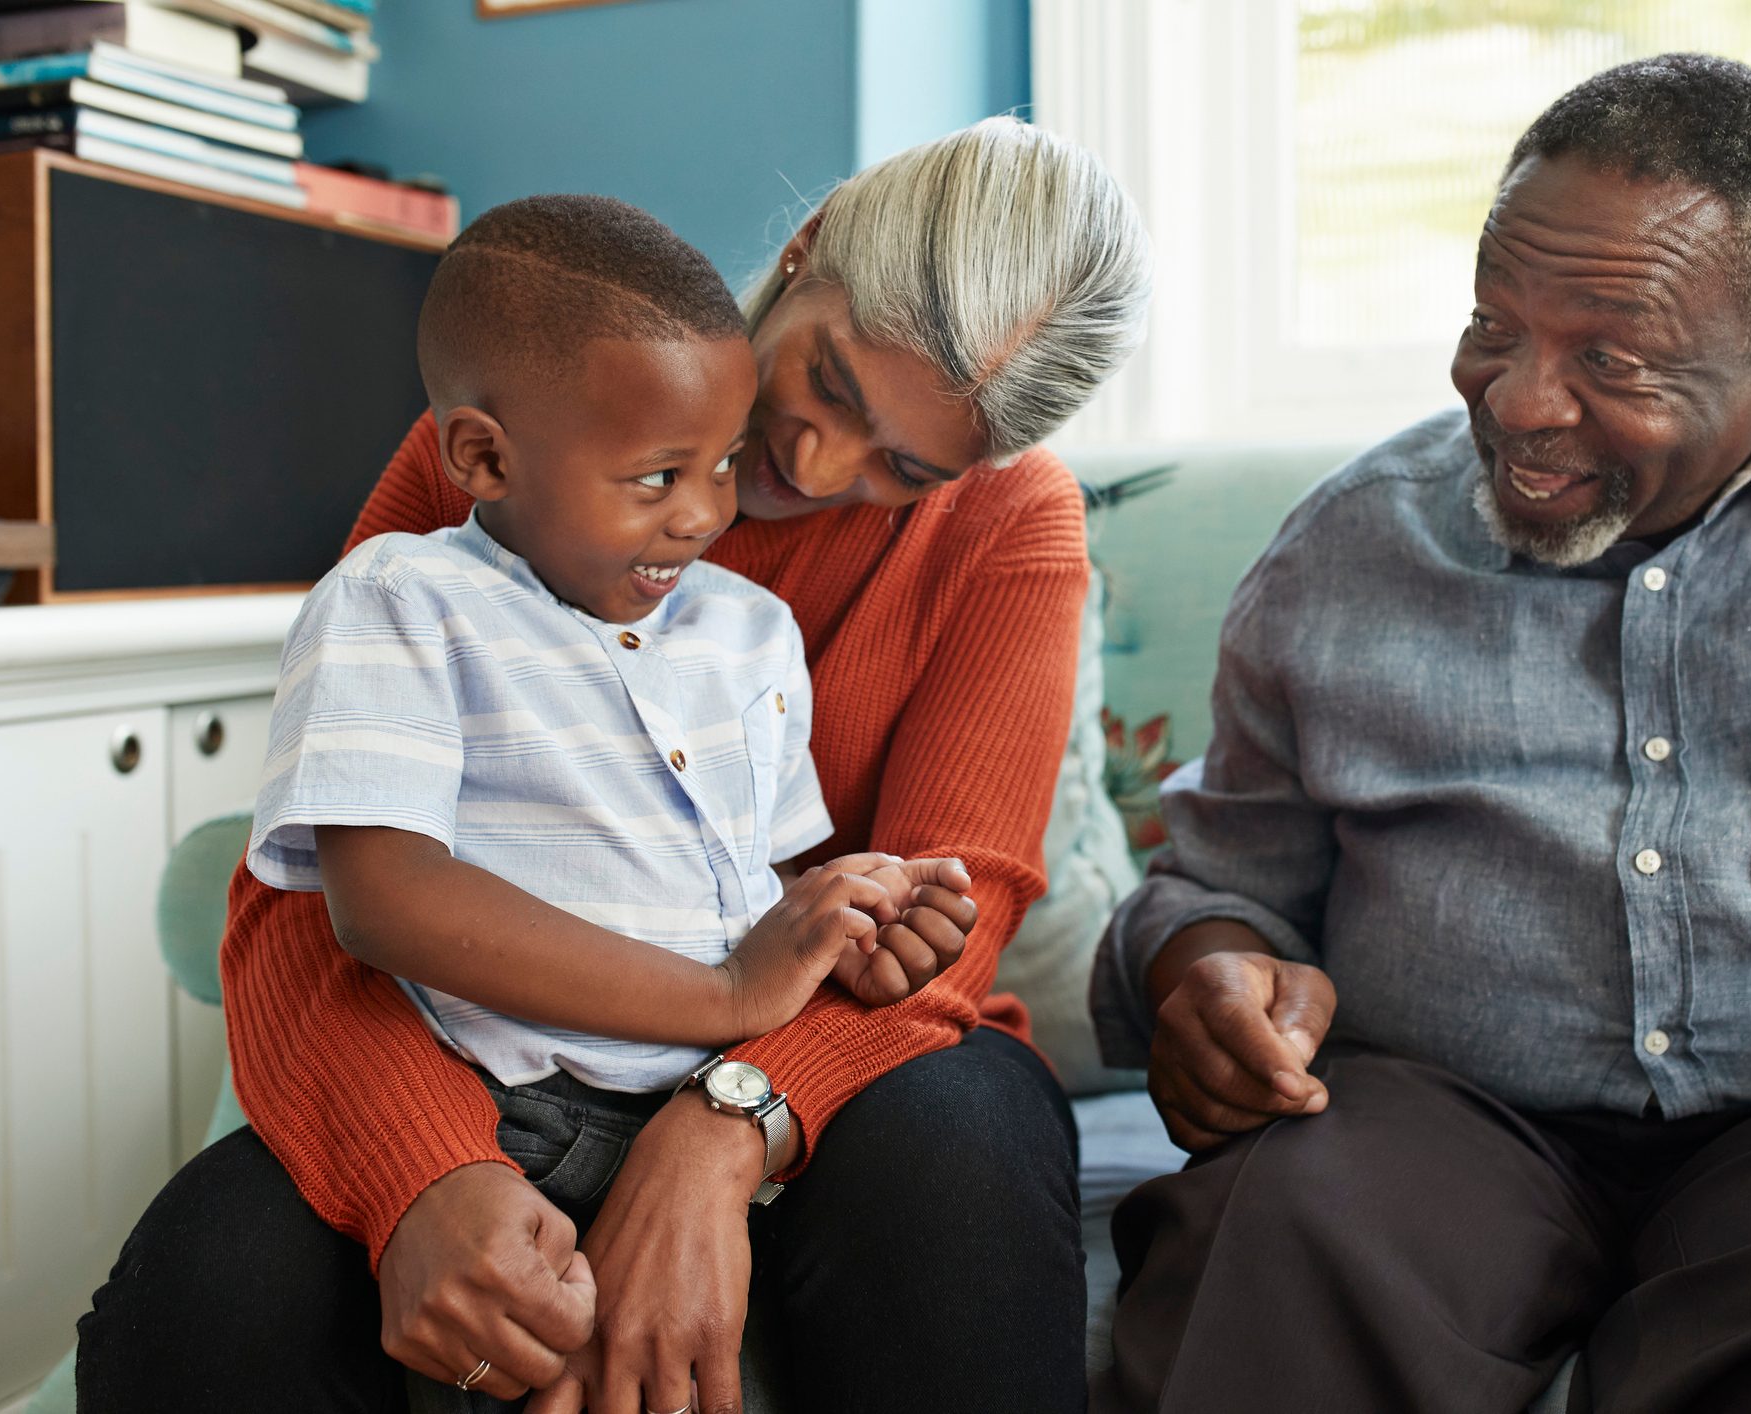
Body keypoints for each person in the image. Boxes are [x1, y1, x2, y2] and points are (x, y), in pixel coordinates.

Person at [78, 117, 1151, 1414]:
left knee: (958, 1149)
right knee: (216, 1270)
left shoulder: (1009, 529)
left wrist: (720, 1132)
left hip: (840, 1094)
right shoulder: (518, 438)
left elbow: (944, 926)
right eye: (828, 384)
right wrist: (428, 1171)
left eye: (902, 468)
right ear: (805, 253)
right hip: (493, 1074)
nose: (809, 466)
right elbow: (326, 880)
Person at [1091, 55, 1751, 1414]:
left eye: (1609, 357)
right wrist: (1210, 968)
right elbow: (1220, 888)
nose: (1517, 402)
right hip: (1437, 1112)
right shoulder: (1349, 542)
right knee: (1272, 1222)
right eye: (1495, 326)